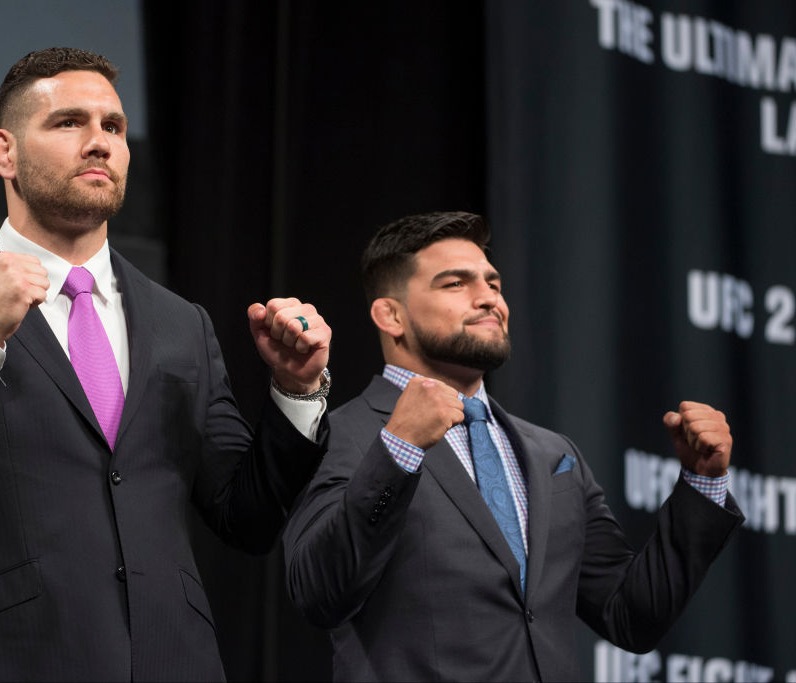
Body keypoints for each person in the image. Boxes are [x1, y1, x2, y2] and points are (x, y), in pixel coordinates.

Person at [0, 47, 332, 681]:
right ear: (4, 152)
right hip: (13, 662)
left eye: (114, 127)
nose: (99, 143)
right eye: (69, 122)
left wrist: (296, 391)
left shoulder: (182, 323)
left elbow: (247, 516)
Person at [282, 211, 744, 682]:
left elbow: (630, 616)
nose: (489, 300)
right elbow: (320, 593)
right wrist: (399, 447)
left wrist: (703, 483)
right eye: (456, 284)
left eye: (494, 284)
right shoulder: (340, 436)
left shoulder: (552, 454)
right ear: (391, 315)